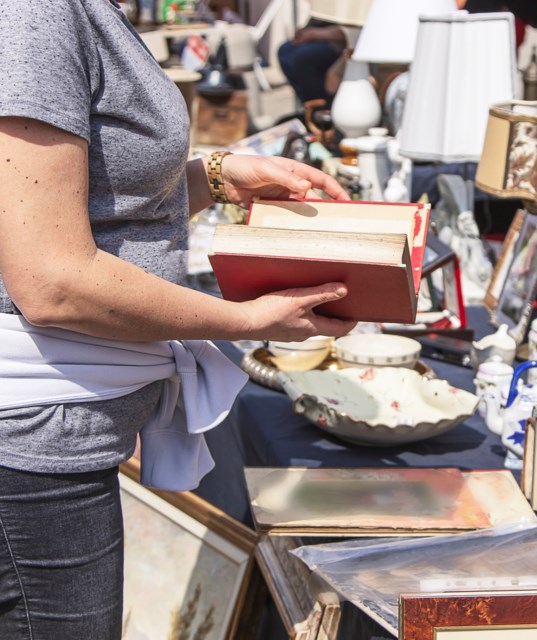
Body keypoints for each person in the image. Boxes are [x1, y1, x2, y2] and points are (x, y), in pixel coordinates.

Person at [0, 1, 355, 637]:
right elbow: (51, 278)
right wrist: (243, 320)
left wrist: (214, 177)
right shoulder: (35, 12)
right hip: (30, 448)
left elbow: (92, 203)